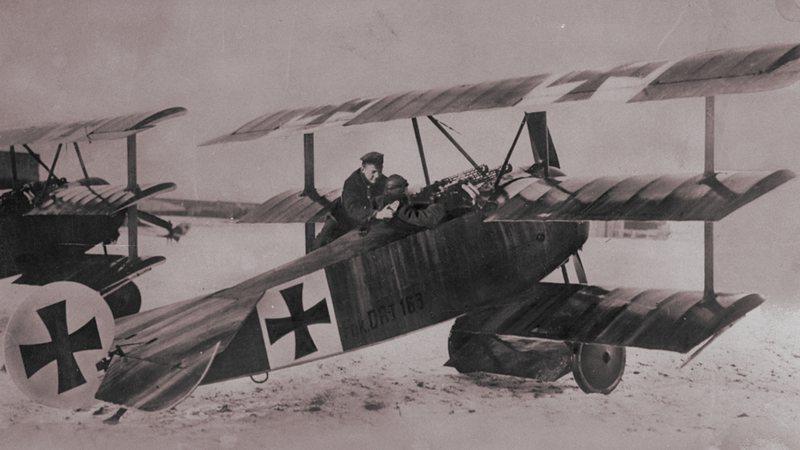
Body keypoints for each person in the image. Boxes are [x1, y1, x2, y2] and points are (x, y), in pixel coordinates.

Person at [312, 152, 392, 249]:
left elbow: (392, 194)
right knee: (321, 244)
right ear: (363, 169)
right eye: (374, 172)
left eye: (380, 171)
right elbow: (353, 208)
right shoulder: (352, 183)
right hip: (341, 218)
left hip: (364, 220)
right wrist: (376, 214)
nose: (377, 175)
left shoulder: (384, 181)